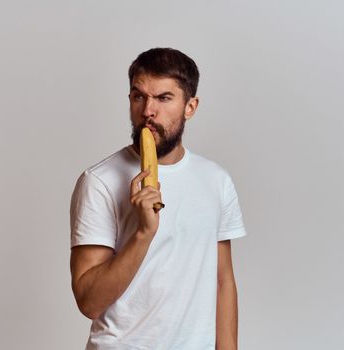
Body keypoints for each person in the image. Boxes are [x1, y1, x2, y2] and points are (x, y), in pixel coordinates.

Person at [70, 47, 247, 349]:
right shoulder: (99, 181)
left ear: (190, 107)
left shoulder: (216, 180)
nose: (148, 111)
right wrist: (143, 233)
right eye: (139, 96)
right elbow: (90, 302)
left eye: (164, 98)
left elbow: (222, 281)